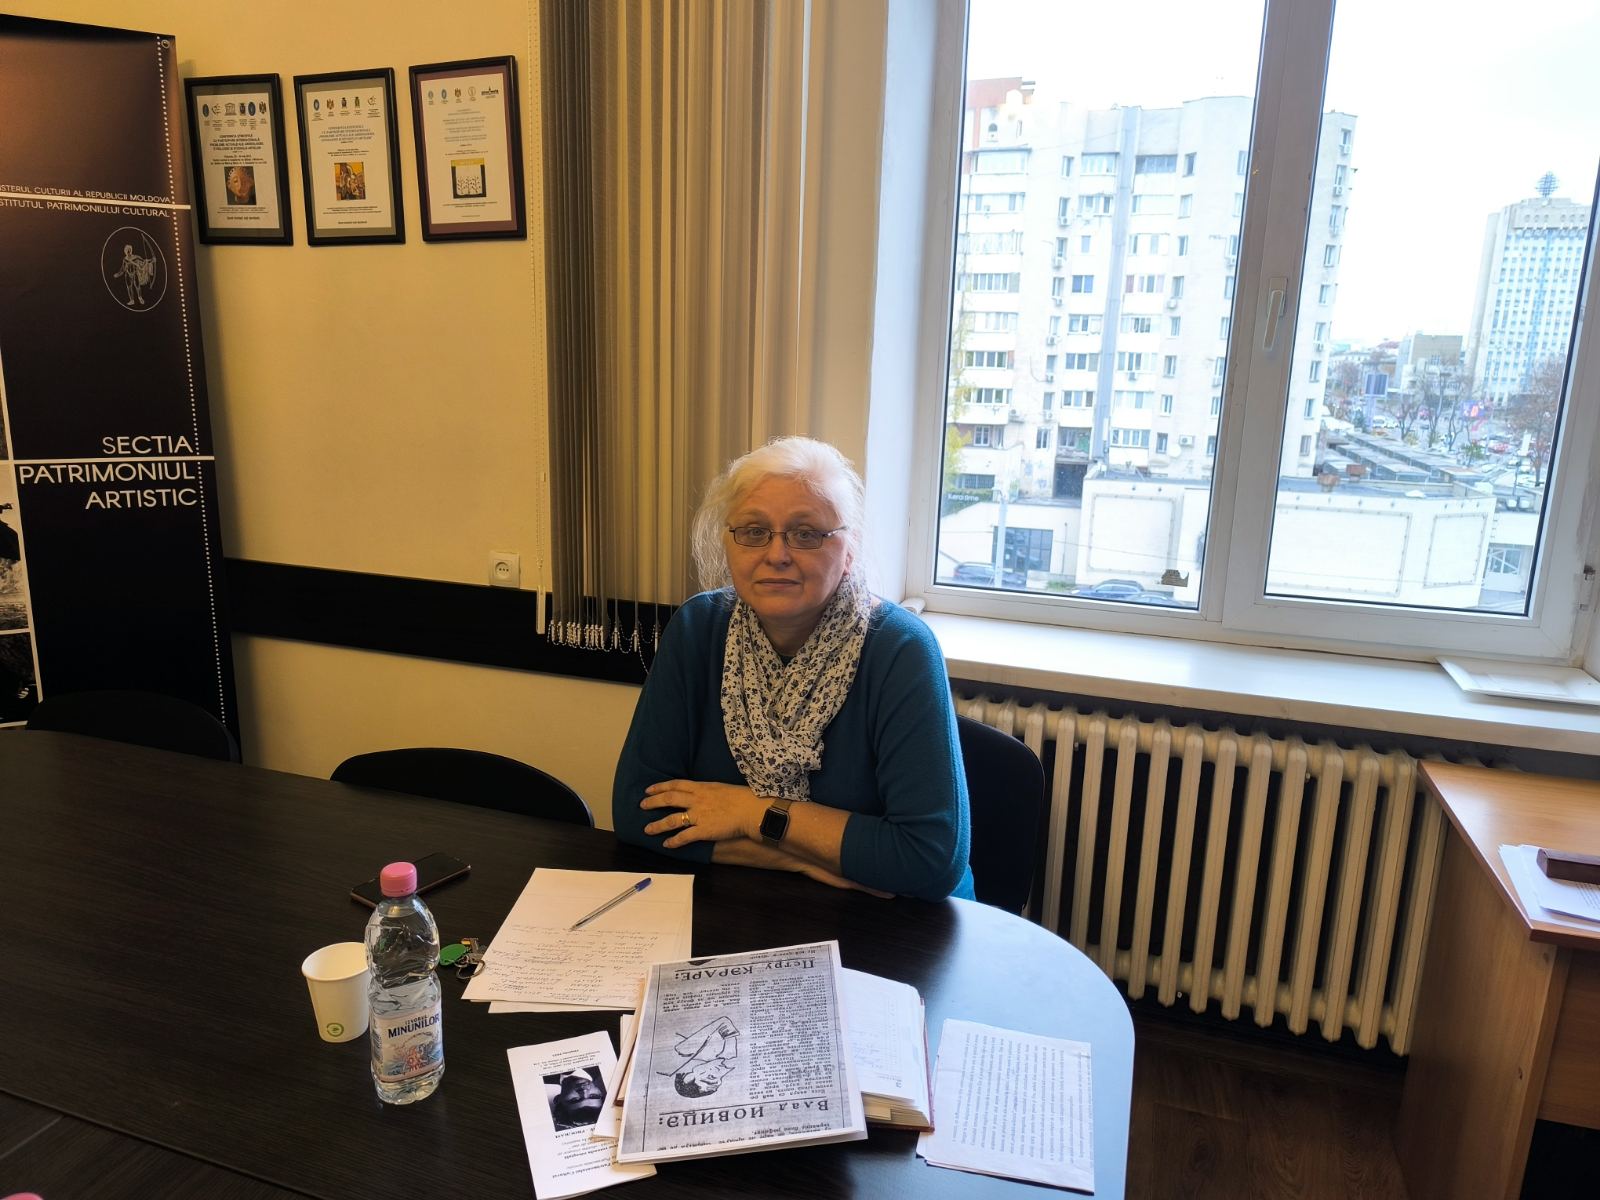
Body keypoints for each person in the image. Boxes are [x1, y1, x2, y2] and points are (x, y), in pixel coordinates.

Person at [611, 436, 973, 901]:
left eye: (806, 534)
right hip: (755, 907)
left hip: (899, 922)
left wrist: (749, 812)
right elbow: (637, 812)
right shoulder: (697, 628)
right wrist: (796, 857)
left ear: (848, 551)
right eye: (754, 531)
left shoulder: (901, 648)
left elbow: (929, 861)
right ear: (729, 544)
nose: (777, 554)